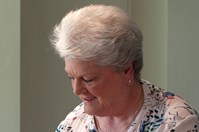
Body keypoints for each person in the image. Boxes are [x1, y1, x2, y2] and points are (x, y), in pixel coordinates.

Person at [51, 4, 199, 132]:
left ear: (127, 70)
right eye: (71, 77)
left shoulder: (176, 121)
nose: (76, 90)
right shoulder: (72, 124)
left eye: (88, 79)